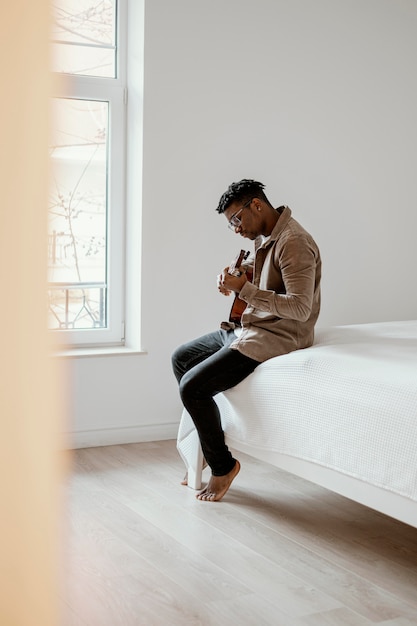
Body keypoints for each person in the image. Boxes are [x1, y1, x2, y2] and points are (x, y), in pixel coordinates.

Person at [172, 179, 321, 502]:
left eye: (236, 220)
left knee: (192, 387)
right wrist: (233, 278)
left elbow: (300, 307)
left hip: (278, 335)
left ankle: (222, 466)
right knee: (182, 357)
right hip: (251, 326)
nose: (237, 229)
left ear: (256, 205)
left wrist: (246, 291)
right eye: (231, 225)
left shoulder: (294, 242)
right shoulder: (266, 236)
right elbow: (257, 272)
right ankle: (209, 453)